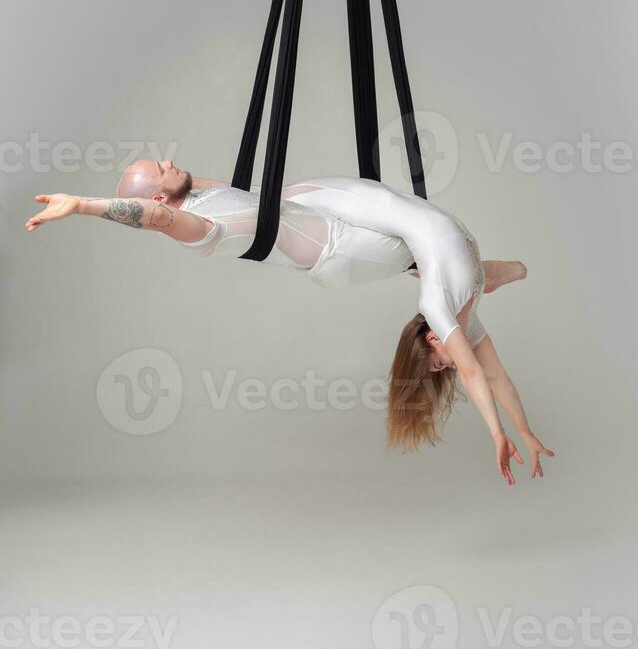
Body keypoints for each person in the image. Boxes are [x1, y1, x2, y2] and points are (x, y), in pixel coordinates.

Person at [25, 160, 554, 485]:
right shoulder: (197, 225)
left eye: (435, 359)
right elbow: (479, 373)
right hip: (340, 250)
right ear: (161, 199)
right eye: (159, 171)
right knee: (434, 257)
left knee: (451, 261)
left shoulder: (204, 190)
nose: (167, 161)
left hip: (325, 215)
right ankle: (492, 272)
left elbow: (486, 372)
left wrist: (520, 430)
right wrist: (84, 205)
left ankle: (494, 272)